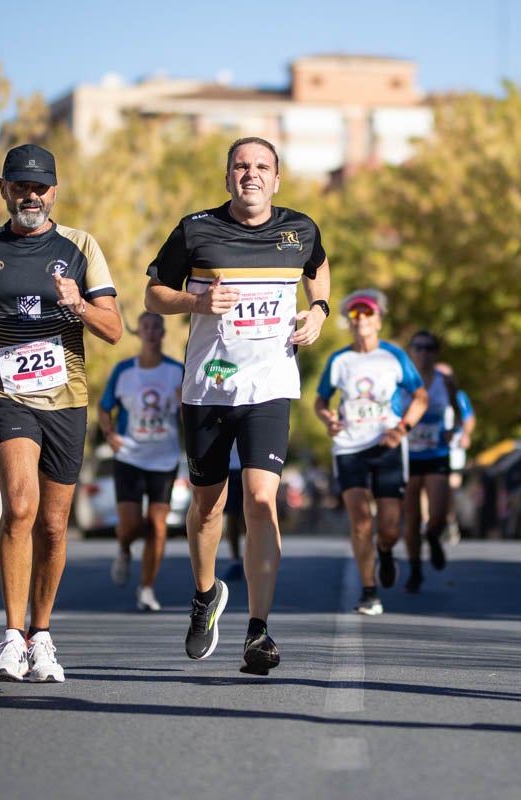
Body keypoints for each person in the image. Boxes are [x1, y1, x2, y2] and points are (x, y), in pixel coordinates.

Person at [0, 143, 122, 682]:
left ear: (54, 191)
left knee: (55, 527)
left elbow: (113, 329)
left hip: (67, 399)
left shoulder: (81, 247)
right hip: (2, 392)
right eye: (19, 185)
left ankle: (42, 636)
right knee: (21, 504)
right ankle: (12, 638)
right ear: (4, 189)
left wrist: (77, 303)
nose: (29, 195)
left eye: (39, 187)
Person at [145, 136, 330, 675]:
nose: (251, 174)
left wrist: (318, 310)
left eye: (262, 166)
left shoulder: (300, 229)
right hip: (207, 387)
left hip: (269, 385)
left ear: (277, 179)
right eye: (241, 166)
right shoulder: (196, 229)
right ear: (228, 177)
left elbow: (318, 267)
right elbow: (153, 292)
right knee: (207, 508)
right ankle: (205, 596)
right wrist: (196, 302)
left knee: (261, 501)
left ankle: (258, 630)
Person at [314, 289, 429, 614]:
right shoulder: (339, 360)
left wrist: (402, 429)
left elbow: (420, 397)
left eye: (367, 314)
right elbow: (321, 400)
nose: (361, 319)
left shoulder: (393, 357)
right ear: (350, 321)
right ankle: (369, 591)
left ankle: (387, 549)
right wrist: (328, 419)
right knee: (361, 518)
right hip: (349, 445)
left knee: (390, 526)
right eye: (355, 314)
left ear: (378, 320)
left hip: (386, 444)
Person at [98, 311, 185, 612]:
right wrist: (109, 433)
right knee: (131, 524)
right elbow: (103, 407)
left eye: (155, 327)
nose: (150, 332)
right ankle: (124, 548)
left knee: (158, 525)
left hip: (164, 457)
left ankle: (146, 588)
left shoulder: (177, 372)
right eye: (145, 326)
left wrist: (183, 402)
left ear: (162, 333)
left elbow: (189, 418)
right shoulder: (124, 371)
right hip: (130, 456)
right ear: (139, 332)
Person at [400, 332, 460, 592]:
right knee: (411, 518)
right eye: (418, 348)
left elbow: (458, 412)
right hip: (408, 455)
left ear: (435, 352)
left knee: (437, 515)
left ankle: (434, 536)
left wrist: (453, 430)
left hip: (436, 453)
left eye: (429, 348)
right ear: (411, 351)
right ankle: (415, 570)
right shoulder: (401, 382)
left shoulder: (445, 382)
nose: (423, 353)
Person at [438, 362, 475, 544]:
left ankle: (449, 520)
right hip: (430, 446)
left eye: (446, 376)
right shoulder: (426, 393)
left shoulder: (459, 396)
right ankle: (426, 522)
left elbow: (468, 417)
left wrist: (465, 435)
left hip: (453, 447)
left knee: (451, 485)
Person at [223, 443, 246, 582]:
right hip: (227, 466)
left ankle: (254, 560)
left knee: (250, 517)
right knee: (231, 517)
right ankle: (236, 562)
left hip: (250, 464)